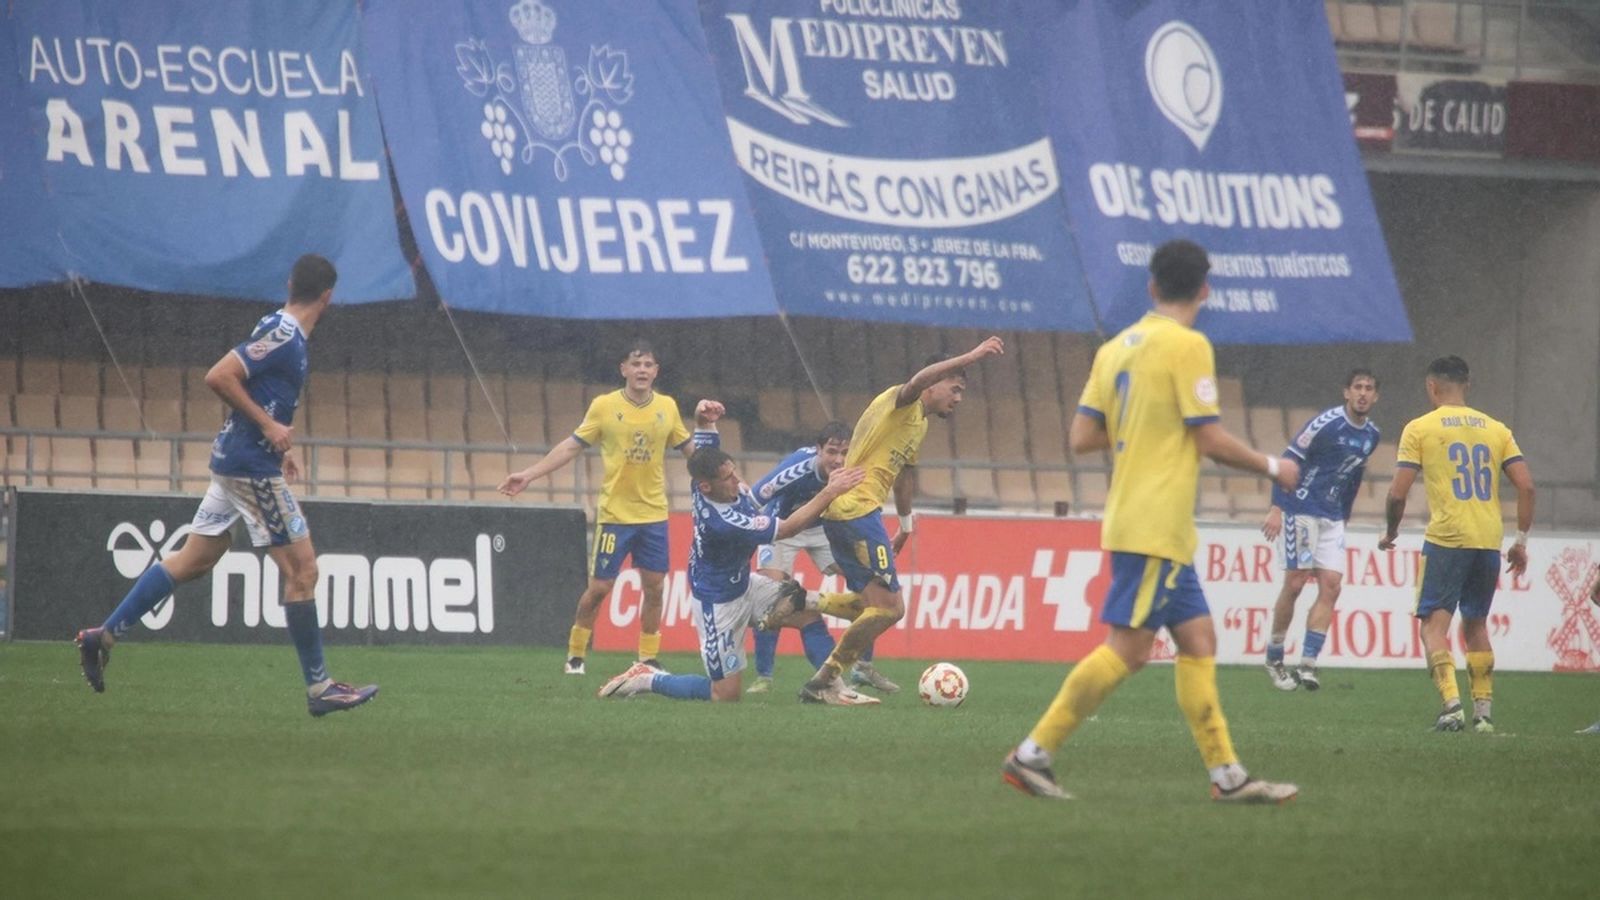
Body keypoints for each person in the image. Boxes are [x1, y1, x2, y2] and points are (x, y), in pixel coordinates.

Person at [1003, 239, 1300, 803]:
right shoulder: (1188, 346)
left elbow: (1082, 437)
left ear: (1151, 286)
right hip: (1155, 522)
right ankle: (1031, 755)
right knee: (1132, 649)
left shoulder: (1115, 348)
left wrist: (1139, 430)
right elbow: (1208, 438)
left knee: (1198, 637)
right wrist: (1272, 466)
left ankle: (1227, 776)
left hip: (1142, 518)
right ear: (1205, 290)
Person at [75, 254, 377, 717]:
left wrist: (278, 439)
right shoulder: (285, 336)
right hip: (248, 466)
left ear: (289, 283)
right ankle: (320, 690)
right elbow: (219, 375)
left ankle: (105, 634)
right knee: (303, 572)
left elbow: (258, 392)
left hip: (239, 459)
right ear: (328, 296)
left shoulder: (276, 326)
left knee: (195, 559)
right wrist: (270, 430)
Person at [761, 337, 1004, 705]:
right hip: (855, 510)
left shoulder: (919, 424)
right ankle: (826, 678)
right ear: (934, 384)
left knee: (869, 604)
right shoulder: (902, 402)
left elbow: (904, 476)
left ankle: (803, 601)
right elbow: (916, 381)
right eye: (955, 388)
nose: (958, 398)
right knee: (892, 608)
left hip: (855, 514)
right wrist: (971, 356)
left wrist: (905, 525)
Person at [498, 340, 722, 675]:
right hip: (616, 515)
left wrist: (722, 480)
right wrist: (529, 474)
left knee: (655, 588)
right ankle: (576, 654)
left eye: (648, 365)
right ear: (624, 370)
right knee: (600, 589)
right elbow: (572, 446)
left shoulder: (667, 407)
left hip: (654, 515)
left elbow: (691, 450)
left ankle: (647, 658)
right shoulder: (604, 406)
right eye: (636, 364)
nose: (642, 370)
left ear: (656, 371)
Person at [597, 446, 864, 702]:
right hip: (719, 604)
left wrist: (705, 422)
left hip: (745, 584)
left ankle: (831, 688)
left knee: (806, 614)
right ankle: (648, 678)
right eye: (728, 477)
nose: (737, 479)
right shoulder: (724, 522)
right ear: (707, 487)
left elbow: (702, 448)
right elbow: (787, 530)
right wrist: (829, 492)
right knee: (724, 695)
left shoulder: (703, 485)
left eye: (734, 471)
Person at [1379, 356, 1535, 734]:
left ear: (1432, 387)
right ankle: (1483, 712)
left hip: (1447, 538)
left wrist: (1391, 531)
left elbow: (1397, 493)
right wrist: (1520, 542)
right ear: (1467, 383)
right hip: (1487, 540)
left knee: (1434, 625)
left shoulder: (1420, 428)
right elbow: (1527, 487)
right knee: (1477, 623)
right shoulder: (1496, 429)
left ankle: (1451, 706)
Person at [745, 422, 897, 695]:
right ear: (818, 450)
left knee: (870, 587)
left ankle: (863, 667)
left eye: (845, 453)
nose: (839, 460)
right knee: (771, 595)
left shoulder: (855, 468)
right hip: (783, 526)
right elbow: (755, 497)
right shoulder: (796, 469)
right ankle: (764, 676)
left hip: (823, 529)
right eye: (831, 452)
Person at [1259, 369, 1381, 691]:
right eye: (1358, 387)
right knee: (1296, 582)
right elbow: (1289, 459)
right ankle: (1274, 656)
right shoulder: (1326, 424)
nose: (1363, 393)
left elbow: (1354, 477)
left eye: (1369, 388)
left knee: (1332, 586)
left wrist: (1346, 516)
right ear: (1346, 392)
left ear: (1376, 396)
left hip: (1332, 516)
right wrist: (1276, 507)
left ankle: (1309, 664)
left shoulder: (1372, 436)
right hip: (1301, 506)